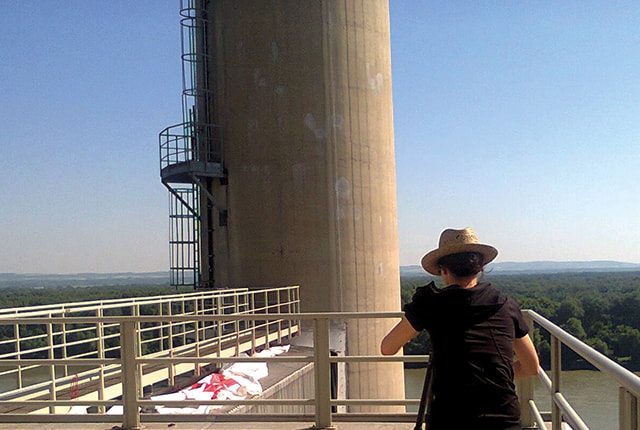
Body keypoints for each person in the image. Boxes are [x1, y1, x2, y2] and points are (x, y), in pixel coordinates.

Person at [381, 227, 539, 430]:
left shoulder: (430, 304)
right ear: (480, 268)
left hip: (450, 419)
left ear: (443, 271)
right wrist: (490, 377)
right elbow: (531, 366)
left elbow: (387, 347)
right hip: (504, 419)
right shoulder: (505, 305)